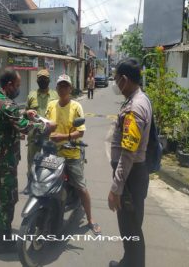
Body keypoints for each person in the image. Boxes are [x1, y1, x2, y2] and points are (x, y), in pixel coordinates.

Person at [0, 68, 56, 253]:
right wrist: (45, 126)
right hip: (4, 162)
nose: (19, 88)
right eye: (17, 85)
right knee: (6, 200)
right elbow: (24, 128)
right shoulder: (8, 105)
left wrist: (25, 113)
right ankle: (4, 241)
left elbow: (8, 118)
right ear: (9, 85)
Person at [108, 58, 152, 267]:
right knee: (130, 227)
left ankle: (133, 263)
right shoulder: (139, 98)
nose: (115, 85)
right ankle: (128, 261)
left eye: (116, 80)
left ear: (124, 80)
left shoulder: (135, 108)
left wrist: (116, 188)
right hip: (134, 175)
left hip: (130, 176)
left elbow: (128, 153)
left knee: (131, 228)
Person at [45, 74, 101, 235]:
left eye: (66, 86)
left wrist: (64, 137)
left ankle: (90, 219)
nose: (63, 89)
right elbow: (46, 124)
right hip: (53, 153)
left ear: (70, 89)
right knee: (46, 184)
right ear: (56, 89)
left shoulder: (76, 106)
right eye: (60, 86)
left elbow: (80, 132)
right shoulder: (51, 105)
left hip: (71, 153)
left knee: (81, 187)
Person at [24, 69, 58, 194]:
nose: (43, 81)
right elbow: (26, 114)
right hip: (34, 134)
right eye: (40, 79)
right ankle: (30, 183)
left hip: (51, 134)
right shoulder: (31, 95)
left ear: (49, 80)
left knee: (50, 161)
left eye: (45, 78)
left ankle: (48, 185)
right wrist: (24, 130)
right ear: (37, 80)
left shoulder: (55, 95)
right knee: (32, 161)